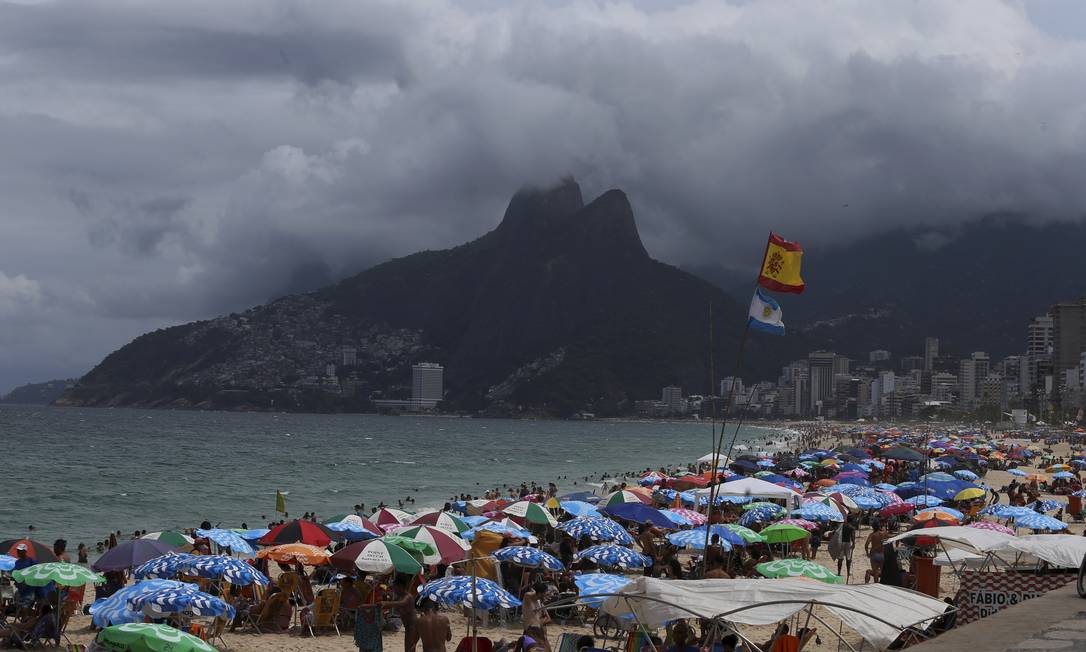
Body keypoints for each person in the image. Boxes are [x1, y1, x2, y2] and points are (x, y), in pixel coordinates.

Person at [381, 575, 419, 652]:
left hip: (413, 626)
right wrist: (384, 599)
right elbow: (390, 604)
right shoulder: (399, 596)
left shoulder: (408, 597)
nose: (394, 589)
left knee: (410, 648)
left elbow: (401, 603)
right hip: (407, 626)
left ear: (400, 586)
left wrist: (385, 603)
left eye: (395, 587)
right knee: (408, 648)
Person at [521, 581, 550, 647]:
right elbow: (529, 594)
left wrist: (541, 622)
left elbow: (549, 619)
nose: (546, 595)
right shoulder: (527, 598)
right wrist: (537, 590)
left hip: (540, 632)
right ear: (540, 593)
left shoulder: (540, 603)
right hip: (530, 632)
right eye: (545, 593)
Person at [12, 544, 38, 609]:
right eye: (18, 550)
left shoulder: (31, 561)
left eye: (20, 551)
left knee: (25, 608)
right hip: (20, 590)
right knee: (19, 608)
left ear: (25, 551)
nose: (18, 552)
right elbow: (15, 574)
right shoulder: (17, 562)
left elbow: (36, 573)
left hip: (29, 590)